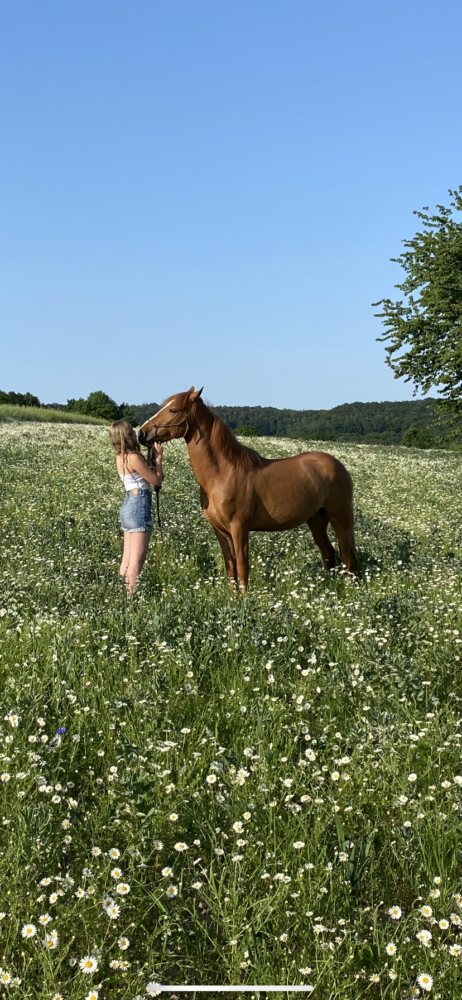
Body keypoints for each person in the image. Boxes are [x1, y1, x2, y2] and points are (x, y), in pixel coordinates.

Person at [109, 419, 163, 594]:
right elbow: (156, 480)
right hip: (139, 504)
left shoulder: (121, 457)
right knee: (137, 560)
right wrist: (159, 460)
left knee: (127, 558)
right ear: (128, 435)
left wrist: (149, 455)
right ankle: (130, 598)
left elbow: (143, 472)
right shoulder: (133, 458)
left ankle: (120, 594)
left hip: (128, 504)